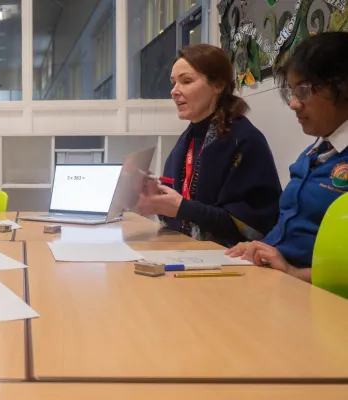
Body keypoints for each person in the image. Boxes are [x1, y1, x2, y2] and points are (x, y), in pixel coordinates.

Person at [226, 32, 348, 281]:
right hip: (276, 282)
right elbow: (291, 227)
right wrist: (259, 247)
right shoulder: (318, 151)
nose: (293, 104)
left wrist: (294, 272)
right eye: (292, 93)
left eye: (303, 92)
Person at [137, 44, 282, 247]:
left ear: (218, 85)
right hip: (189, 252)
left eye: (186, 81)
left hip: (233, 262)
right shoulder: (186, 140)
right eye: (173, 83)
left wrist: (182, 208)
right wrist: (156, 197)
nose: (174, 91)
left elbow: (253, 228)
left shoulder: (245, 140)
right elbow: (179, 213)